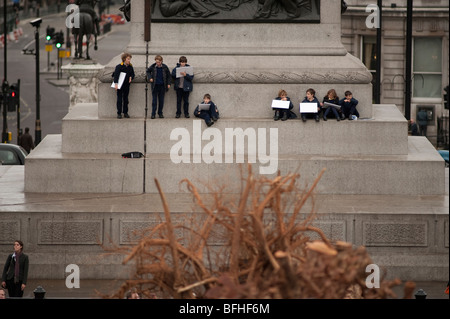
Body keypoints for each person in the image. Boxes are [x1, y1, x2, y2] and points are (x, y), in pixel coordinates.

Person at [113, 52, 135, 119]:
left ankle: (125, 112)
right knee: (119, 99)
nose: (129, 60)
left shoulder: (130, 66)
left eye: (129, 59)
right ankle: (119, 113)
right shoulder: (119, 66)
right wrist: (116, 84)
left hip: (126, 85)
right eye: (128, 59)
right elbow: (116, 76)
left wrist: (131, 77)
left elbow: (133, 74)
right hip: (120, 85)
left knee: (126, 99)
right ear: (124, 59)